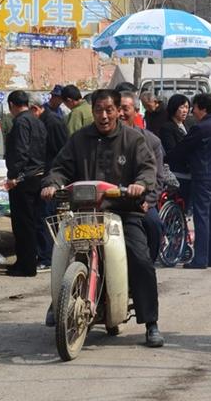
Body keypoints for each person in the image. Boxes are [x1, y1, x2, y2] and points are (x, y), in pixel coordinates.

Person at [41, 89, 163, 347]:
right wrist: (53, 184)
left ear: (119, 111)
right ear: (92, 111)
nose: (104, 115)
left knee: (140, 259)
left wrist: (140, 184)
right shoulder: (79, 139)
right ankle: (59, 300)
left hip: (122, 212)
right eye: (99, 110)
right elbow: (60, 168)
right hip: (84, 214)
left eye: (109, 110)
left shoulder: (133, 140)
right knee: (62, 250)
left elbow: (147, 169)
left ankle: (151, 322)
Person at [168, 92, 211, 268]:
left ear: (202, 108)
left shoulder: (201, 128)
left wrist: (166, 158)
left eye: (193, 107)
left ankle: (200, 259)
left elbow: (183, 149)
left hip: (205, 176)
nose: (192, 111)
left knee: (202, 217)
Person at [119, 91, 171, 263]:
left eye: (125, 109)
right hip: (107, 201)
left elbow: (157, 178)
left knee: (153, 225)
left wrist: (148, 201)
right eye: (116, 109)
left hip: (139, 202)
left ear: (136, 111)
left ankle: (148, 265)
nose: (121, 114)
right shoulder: (98, 139)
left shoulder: (151, 141)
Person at [4, 90, 49, 276]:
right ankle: (23, 261)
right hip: (37, 175)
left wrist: (14, 177)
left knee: (23, 224)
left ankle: (26, 266)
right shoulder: (37, 121)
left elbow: (20, 152)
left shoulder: (21, 122)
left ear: (12, 105)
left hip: (25, 179)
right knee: (30, 222)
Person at [34, 96, 70, 268]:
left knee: (47, 216)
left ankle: (47, 257)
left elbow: (62, 153)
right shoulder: (44, 120)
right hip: (46, 175)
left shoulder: (53, 122)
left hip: (53, 177)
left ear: (35, 108)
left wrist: (55, 178)